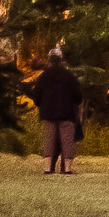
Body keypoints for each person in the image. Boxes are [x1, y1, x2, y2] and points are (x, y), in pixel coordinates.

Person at [34, 45, 81, 175]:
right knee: (67, 141)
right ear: (61, 60)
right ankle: (67, 169)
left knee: (49, 140)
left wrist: (41, 105)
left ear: (49, 60)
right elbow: (78, 96)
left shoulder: (43, 76)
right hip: (67, 113)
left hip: (48, 113)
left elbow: (36, 95)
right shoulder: (69, 76)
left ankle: (48, 168)